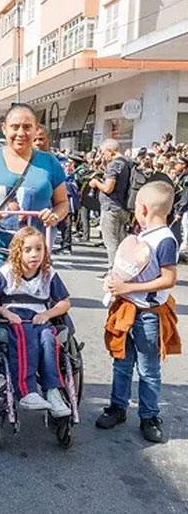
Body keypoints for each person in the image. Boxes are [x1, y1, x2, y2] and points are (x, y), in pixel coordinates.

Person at [97, 181, 181, 444]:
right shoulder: (142, 236)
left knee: (148, 369)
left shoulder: (165, 239)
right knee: (121, 362)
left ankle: (149, 415)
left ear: (143, 209)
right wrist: (113, 281)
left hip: (148, 313)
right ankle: (118, 407)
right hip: (127, 308)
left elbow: (168, 279)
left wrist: (127, 286)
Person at [0, 103, 69, 264]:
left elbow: (62, 203)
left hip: (34, 257)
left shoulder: (49, 162)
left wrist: (54, 216)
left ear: (36, 129)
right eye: (15, 127)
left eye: (27, 127)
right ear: (4, 128)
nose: (21, 133)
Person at [0, 226, 72, 417]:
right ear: (18, 252)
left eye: (39, 249)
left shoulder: (48, 273)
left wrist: (48, 314)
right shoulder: (7, 273)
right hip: (14, 316)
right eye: (28, 250)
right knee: (25, 335)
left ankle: (53, 391)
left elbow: (64, 302)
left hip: (39, 316)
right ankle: (27, 391)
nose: (34, 255)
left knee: (48, 337)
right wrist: (5, 313)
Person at [90, 139, 132, 277]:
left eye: (103, 153)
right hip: (123, 207)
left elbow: (108, 188)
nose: (102, 156)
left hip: (111, 207)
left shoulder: (114, 165)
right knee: (120, 241)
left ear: (110, 151)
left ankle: (113, 272)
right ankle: (121, 271)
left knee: (111, 242)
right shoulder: (127, 163)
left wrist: (96, 183)